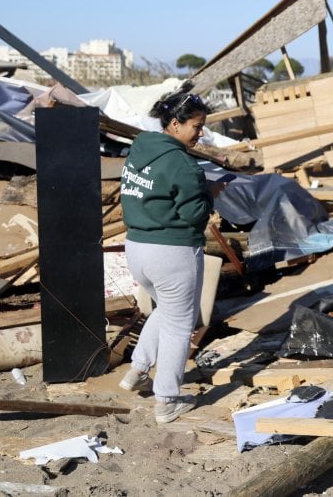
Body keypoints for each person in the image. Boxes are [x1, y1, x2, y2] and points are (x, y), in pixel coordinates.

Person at [117, 85, 228, 423]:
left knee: (166, 310)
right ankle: (166, 400)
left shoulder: (141, 148)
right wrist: (210, 192)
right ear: (176, 124)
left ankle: (136, 371)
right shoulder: (184, 165)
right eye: (197, 125)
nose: (201, 132)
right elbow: (195, 215)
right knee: (181, 325)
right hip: (172, 252)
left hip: (137, 247)